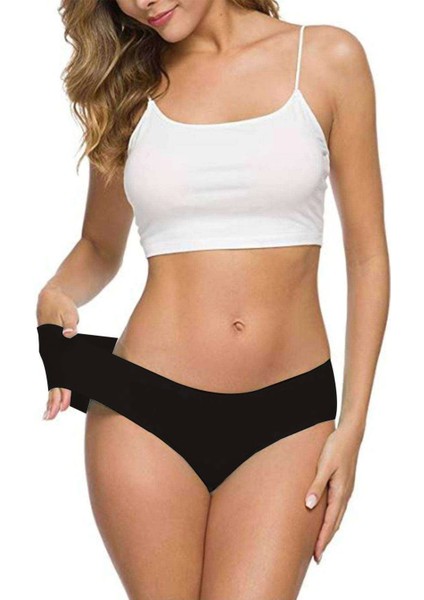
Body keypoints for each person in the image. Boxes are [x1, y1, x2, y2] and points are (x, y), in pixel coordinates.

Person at [36, 1, 390, 598]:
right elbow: (99, 245)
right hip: (143, 414)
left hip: (289, 417)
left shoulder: (328, 58)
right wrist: (54, 293)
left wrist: (352, 427)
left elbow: (368, 258)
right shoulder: (128, 88)